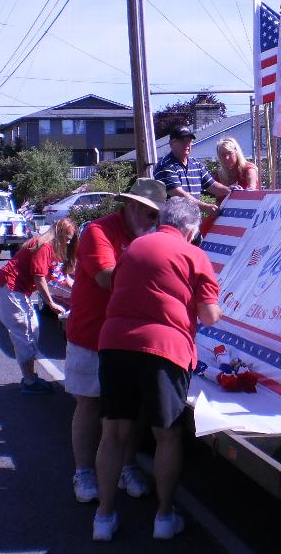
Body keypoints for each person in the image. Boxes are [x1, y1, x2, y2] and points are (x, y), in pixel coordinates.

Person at [93, 197, 221, 542]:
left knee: (112, 433)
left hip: (115, 343)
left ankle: (103, 517)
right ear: (191, 229)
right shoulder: (195, 255)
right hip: (165, 349)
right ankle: (164, 518)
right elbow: (209, 315)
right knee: (167, 435)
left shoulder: (134, 247)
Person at [65, 177, 167, 505]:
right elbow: (107, 279)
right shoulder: (98, 231)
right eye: (145, 211)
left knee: (130, 411)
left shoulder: (152, 236)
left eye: (155, 215)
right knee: (90, 404)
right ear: (130, 205)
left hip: (129, 339)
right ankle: (83, 471)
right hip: (91, 334)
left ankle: (126, 466)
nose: (150, 220)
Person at [0, 217, 78, 394]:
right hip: (10, 287)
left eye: (71, 239)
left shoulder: (52, 248)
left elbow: (61, 278)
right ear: (58, 234)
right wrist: (51, 303)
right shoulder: (44, 247)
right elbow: (40, 278)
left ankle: (30, 377)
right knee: (24, 332)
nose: (69, 242)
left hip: (18, 290)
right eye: (67, 238)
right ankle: (29, 381)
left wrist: (80, 291)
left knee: (33, 329)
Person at [153, 125, 230, 215]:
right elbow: (178, 194)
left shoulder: (196, 164)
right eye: (182, 141)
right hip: (171, 222)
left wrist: (230, 190)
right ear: (171, 143)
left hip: (193, 222)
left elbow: (213, 186)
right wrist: (204, 206)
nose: (187, 144)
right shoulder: (165, 165)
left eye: (189, 141)